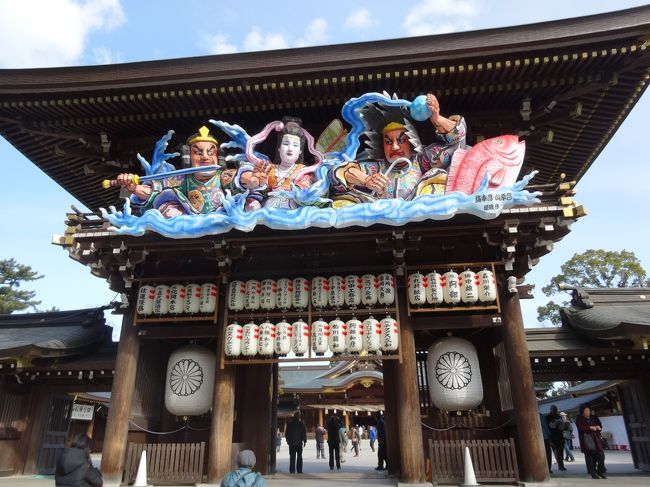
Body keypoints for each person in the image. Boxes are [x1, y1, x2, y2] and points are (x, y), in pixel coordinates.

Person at [329, 93, 466, 204]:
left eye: (402, 140)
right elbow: (338, 171)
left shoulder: (423, 161)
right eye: (388, 142)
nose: (394, 147)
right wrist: (366, 180)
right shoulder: (376, 169)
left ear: (412, 141)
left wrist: (436, 118)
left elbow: (456, 140)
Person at [116, 126, 237, 218]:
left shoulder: (223, 176)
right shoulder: (181, 178)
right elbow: (156, 190)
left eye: (211, 153)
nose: (205, 157)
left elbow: (241, 179)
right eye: (198, 153)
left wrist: (254, 175)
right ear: (189, 157)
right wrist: (134, 188)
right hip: (189, 221)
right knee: (168, 209)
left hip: (222, 217)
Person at [239, 117, 323, 209]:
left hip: (293, 212)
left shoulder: (304, 172)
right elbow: (259, 191)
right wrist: (255, 189)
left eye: (295, 145)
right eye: (286, 144)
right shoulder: (268, 169)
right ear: (279, 148)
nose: (290, 148)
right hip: (268, 211)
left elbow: (305, 192)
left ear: (300, 151)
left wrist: (298, 192)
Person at [576, 404, 607, 479]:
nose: (588, 412)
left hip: (596, 439)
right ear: (582, 412)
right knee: (590, 457)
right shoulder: (579, 419)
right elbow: (581, 428)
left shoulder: (594, 417)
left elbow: (600, 425)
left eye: (588, 410)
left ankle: (601, 471)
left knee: (601, 455)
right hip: (587, 440)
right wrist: (590, 428)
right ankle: (593, 473)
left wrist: (598, 427)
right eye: (586, 410)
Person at [545, 405, 567, 471]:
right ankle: (549, 468)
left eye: (555, 409)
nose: (554, 410)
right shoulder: (547, 417)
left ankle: (561, 466)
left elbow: (562, 427)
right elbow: (547, 428)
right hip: (551, 437)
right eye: (553, 409)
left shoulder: (559, 417)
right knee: (549, 454)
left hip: (559, 437)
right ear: (550, 409)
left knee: (560, 453)